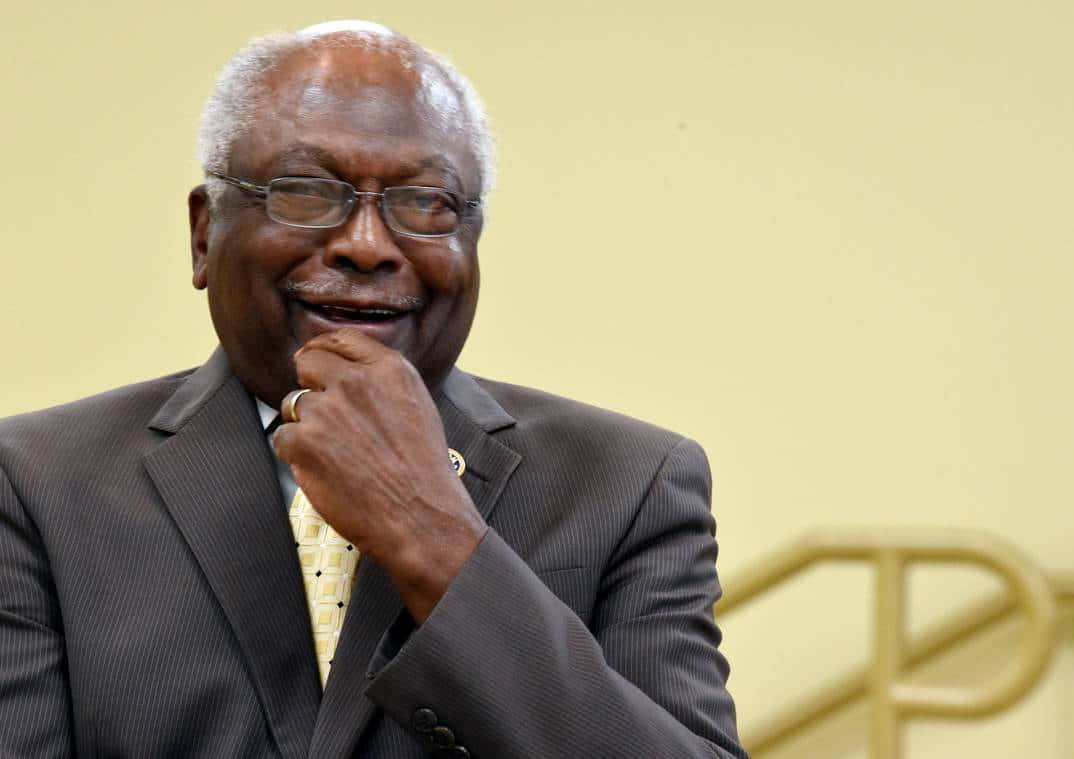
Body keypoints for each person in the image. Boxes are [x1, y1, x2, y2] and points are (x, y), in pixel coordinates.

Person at [0, 20, 747, 759]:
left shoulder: (628, 483)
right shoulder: (36, 483)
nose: (366, 244)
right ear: (204, 235)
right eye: (305, 190)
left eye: (425, 202)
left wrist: (438, 540)